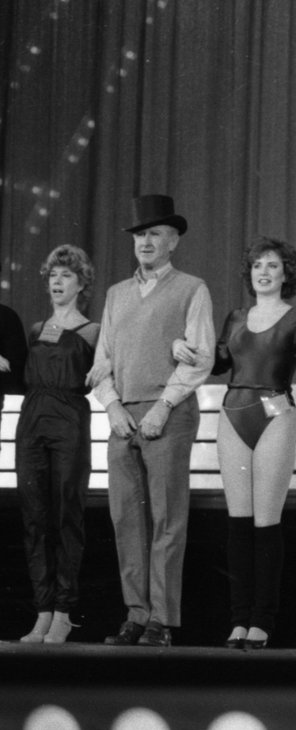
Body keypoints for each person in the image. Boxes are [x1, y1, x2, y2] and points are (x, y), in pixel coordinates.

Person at [87, 194, 215, 648]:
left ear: (173, 240)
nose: (146, 241)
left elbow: (201, 358)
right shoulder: (116, 294)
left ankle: (161, 619)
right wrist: (111, 406)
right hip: (123, 417)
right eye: (141, 234)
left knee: (166, 519)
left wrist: (164, 406)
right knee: (126, 518)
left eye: (155, 233)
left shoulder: (191, 288)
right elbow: (101, 361)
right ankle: (136, 614)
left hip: (169, 414)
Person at [213, 238, 296, 649]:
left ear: (287, 274)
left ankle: (262, 619)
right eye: (258, 265)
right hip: (232, 413)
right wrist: (185, 349)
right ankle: (238, 619)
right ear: (250, 273)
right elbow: (217, 364)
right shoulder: (235, 317)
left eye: (274, 266)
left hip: (275, 415)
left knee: (266, 523)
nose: (264, 272)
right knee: (238, 522)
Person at [14, 245, 97, 644]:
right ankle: (42, 612)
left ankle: (64, 612)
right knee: (34, 517)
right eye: (53, 276)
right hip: (31, 422)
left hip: (69, 422)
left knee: (67, 514)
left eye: (66, 275)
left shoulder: (92, 331)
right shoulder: (34, 329)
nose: (57, 282)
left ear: (81, 283)